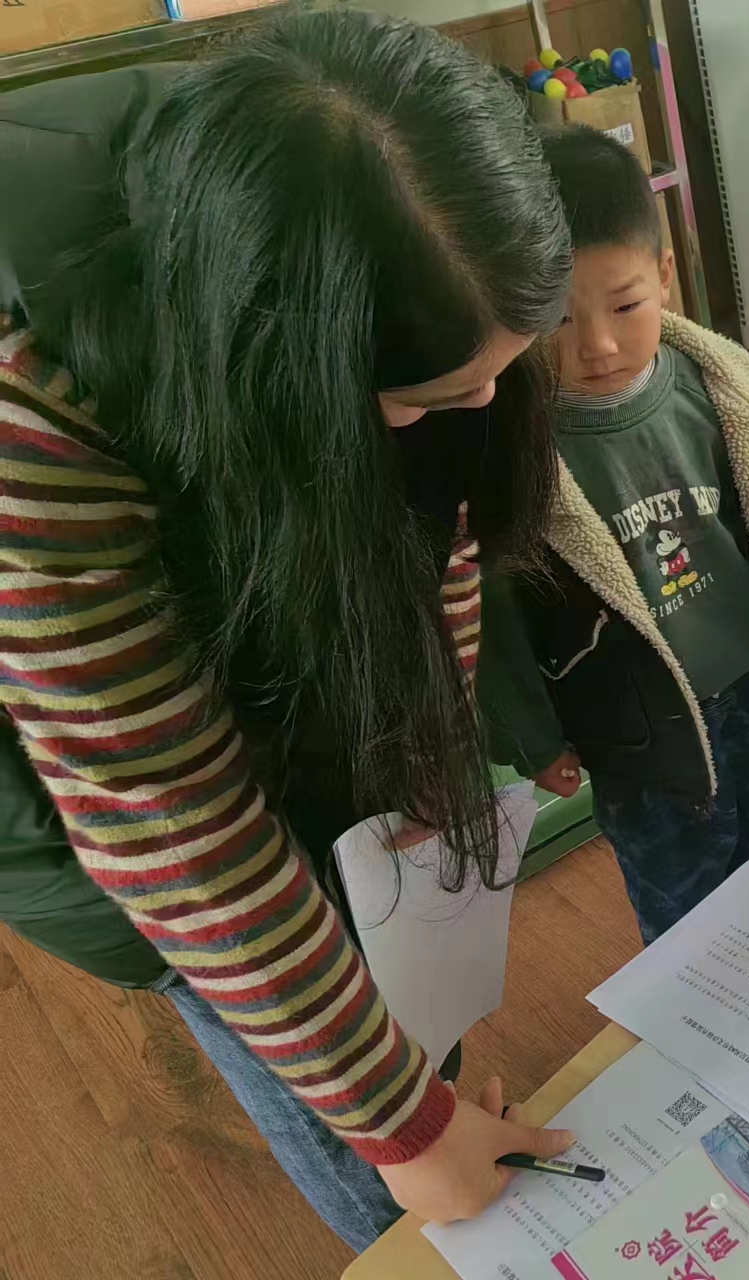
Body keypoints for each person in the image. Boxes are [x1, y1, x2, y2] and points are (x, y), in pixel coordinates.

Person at [0, 9, 576, 1250]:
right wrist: (401, 1125)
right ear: (283, 360)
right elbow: (171, 819)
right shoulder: (36, 409)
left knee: (397, 987)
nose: (487, 400)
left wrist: (419, 770)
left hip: (285, 649)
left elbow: (437, 528)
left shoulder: (386, 203)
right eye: (439, 391)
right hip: (106, 804)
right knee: (374, 1160)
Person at [478, 126, 749, 943]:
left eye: (625, 305)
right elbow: (497, 612)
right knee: (682, 901)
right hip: (635, 726)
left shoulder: (717, 389)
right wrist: (531, 736)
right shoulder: (516, 448)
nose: (597, 345)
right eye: (556, 319)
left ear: (666, 275)